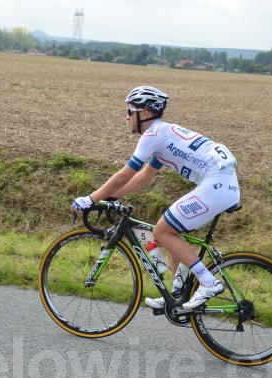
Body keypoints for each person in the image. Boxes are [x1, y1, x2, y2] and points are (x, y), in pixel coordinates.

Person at [71, 85, 240, 310]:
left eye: (130, 111)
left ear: (144, 113)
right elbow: (145, 177)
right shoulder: (164, 134)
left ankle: (208, 282)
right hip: (222, 182)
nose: (127, 117)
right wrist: (111, 197)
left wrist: (89, 199)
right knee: (171, 231)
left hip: (217, 183)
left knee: (162, 231)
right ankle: (177, 295)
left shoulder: (153, 135)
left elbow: (124, 175)